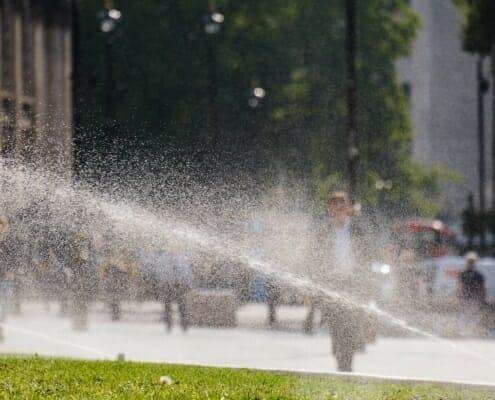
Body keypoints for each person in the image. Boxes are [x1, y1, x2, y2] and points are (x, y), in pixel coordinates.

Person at [307, 191, 376, 372]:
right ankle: (340, 355)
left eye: (342, 204)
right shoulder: (323, 232)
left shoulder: (357, 231)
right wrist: (312, 288)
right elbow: (313, 260)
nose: (338, 208)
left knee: (350, 326)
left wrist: (368, 286)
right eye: (334, 205)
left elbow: (367, 258)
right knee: (336, 326)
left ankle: (346, 368)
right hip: (332, 285)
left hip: (353, 284)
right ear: (330, 209)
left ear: (348, 208)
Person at [457, 252, 486, 330]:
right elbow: (459, 286)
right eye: (469, 262)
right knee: (464, 315)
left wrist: (482, 298)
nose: (470, 263)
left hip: (474, 299)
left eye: (472, 262)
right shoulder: (463, 273)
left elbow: (482, 288)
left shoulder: (478, 275)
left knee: (473, 315)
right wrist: (458, 296)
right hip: (465, 298)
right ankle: (463, 330)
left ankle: (473, 330)